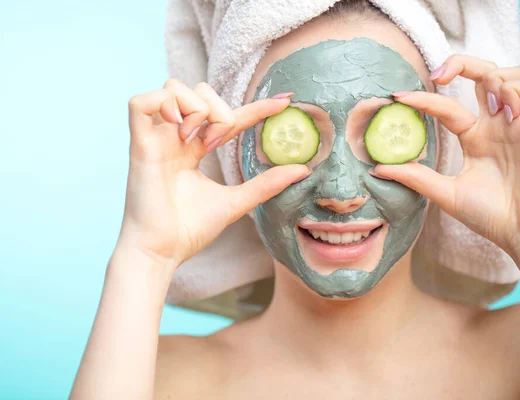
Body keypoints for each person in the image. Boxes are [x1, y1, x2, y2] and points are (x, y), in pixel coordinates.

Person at [70, 1, 520, 398]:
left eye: (386, 128)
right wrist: (146, 255)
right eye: (293, 133)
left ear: (441, 149)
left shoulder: (509, 358)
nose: (340, 193)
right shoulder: (161, 381)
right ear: (233, 157)